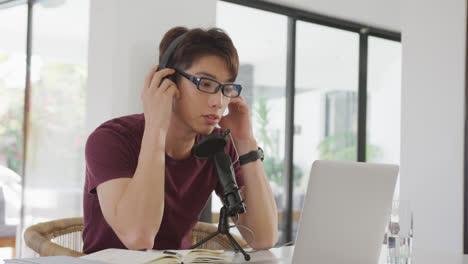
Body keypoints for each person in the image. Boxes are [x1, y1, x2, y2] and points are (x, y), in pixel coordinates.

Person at [82, 26, 278, 254]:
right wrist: (156, 127)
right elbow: (139, 237)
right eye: (205, 84)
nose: (219, 101)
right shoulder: (111, 139)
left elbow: (263, 237)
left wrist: (246, 141)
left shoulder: (218, 145)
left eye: (226, 88)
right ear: (169, 81)